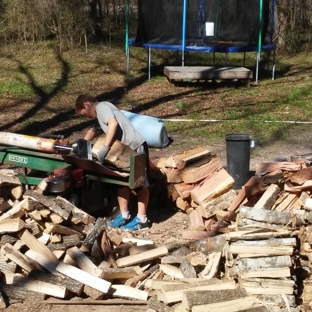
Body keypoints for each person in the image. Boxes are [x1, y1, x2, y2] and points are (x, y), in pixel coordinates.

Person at [75, 94, 150, 230]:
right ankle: (124, 215)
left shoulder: (102, 107)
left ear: (86, 105)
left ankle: (142, 219)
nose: (87, 117)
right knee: (119, 182)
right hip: (122, 150)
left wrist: (105, 148)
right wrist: (79, 144)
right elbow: (93, 130)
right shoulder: (100, 113)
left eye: (84, 114)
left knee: (140, 183)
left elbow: (113, 124)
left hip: (134, 146)